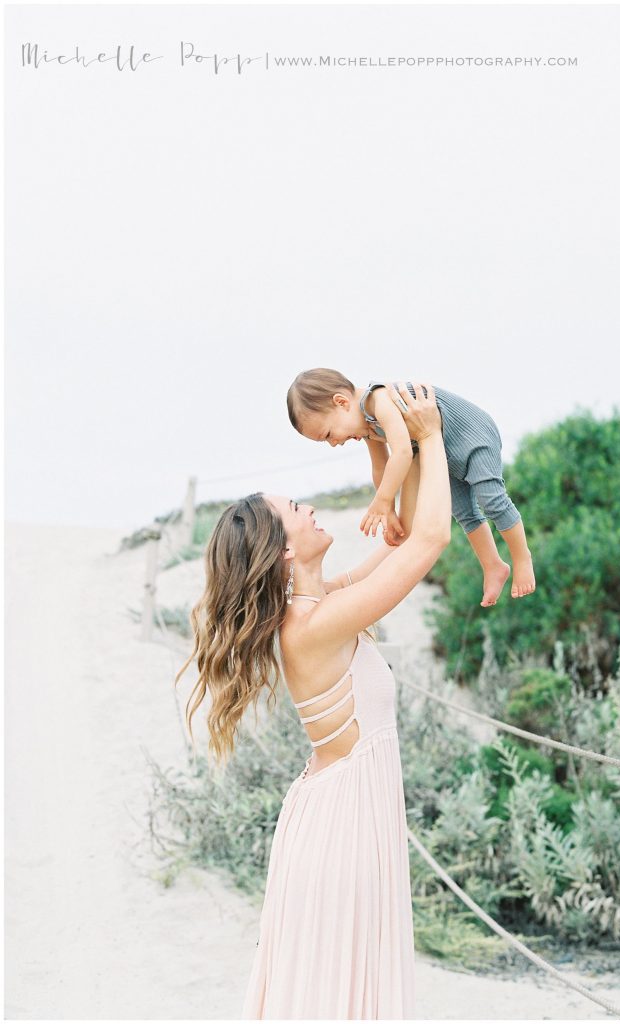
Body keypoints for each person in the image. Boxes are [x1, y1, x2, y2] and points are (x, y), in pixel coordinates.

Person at [177, 383, 450, 1020]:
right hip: (343, 827)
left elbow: (402, 539)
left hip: (341, 817)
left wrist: (393, 446)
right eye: (298, 508)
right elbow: (431, 541)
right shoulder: (316, 624)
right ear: (283, 549)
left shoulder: (318, 605)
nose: (311, 511)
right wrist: (434, 437)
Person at [286, 368, 536, 607]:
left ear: (341, 402)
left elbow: (403, 452)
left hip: (472, 436)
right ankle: (493, 565)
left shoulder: (379, 399)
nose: (333, 444)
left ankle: (522, 558)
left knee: (491, 499)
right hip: (444, 451)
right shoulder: (368, 427)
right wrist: (389, 510)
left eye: (328, 434)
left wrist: (383, 501)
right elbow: (380, 468)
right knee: (464, 512)